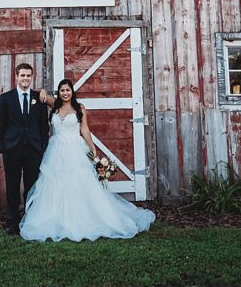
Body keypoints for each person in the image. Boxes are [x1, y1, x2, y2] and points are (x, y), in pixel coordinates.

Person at [19, 78, 155, 242]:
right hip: (55, 150)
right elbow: (41, 94)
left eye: (68, 90)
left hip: (75, 149)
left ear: (72, 92)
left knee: (79, 183)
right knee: (54, 184)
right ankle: (56, 218)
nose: (65, 93)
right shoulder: (54, 106)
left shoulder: (79, 108)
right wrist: (41, 90)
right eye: (62, 90)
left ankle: (83, 218)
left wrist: (92, 149)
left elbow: (84, 129)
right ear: (59, 92)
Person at [0, 62, 50, 235]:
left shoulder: (38, 98)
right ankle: (12, 222)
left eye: (28, 76)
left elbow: (43, 126)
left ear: (31, 77)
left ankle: (30, 219)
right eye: (22, 75)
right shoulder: (6, 98)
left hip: (33, 149)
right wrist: (2, 146)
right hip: (12, 149)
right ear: (16, 76)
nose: (25, 78)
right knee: (12, 187)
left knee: (31, 187)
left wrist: (42, 146)